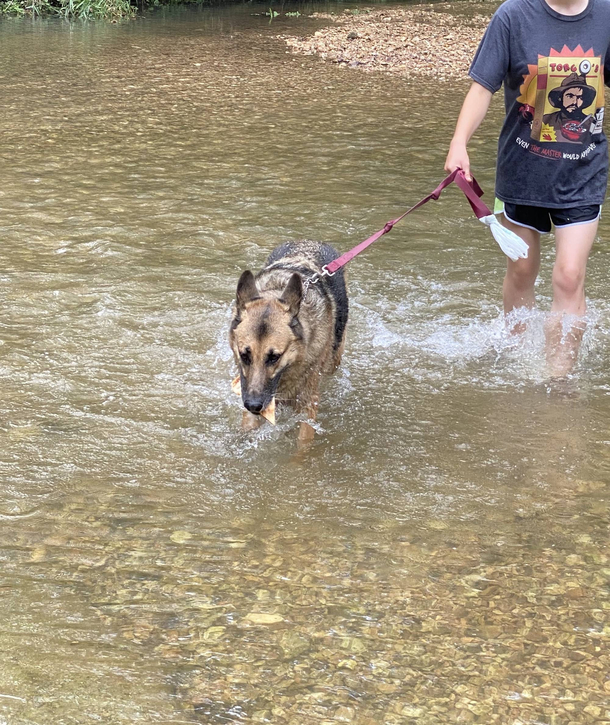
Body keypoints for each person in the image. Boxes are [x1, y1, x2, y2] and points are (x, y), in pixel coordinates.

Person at [444, 0, 610, 377]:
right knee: (522, 270)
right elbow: (482, 87)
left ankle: (559, 378)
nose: (573, 99)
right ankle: (517, 361)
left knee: (569, 274)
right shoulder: (513, 16)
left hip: (583, 175)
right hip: (523, 175)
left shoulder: (606, 15)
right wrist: (459, 142)